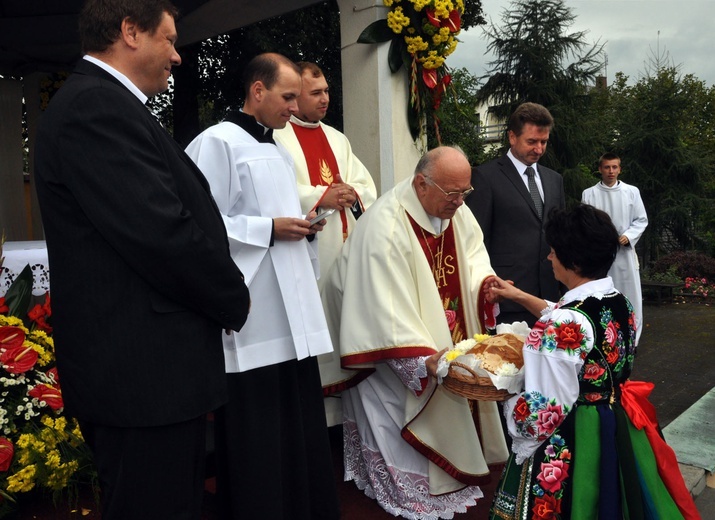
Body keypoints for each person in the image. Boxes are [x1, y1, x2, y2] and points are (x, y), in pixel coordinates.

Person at [33, 1, 251, 519]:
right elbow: (162, 234)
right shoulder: (95, 108)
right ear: (130, 32)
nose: (177, 56)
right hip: (141, 378)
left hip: (148, 374)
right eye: (169, 40)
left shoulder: (106, 104)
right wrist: (233, 296)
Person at [185, 53, 339, 520]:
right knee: (260, 427)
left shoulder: (274, 148)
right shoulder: (216, 143)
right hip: (254, 315)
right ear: (257, 91)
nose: (295, 108)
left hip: (291, 308)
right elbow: (201, 223)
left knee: (297, 416)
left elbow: (278, 218)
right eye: (288, 96)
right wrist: (269, 229)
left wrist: (306, 225)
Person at [322, 146, 508, 519]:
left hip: (441, 330)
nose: (459, 202)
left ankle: (450, 469)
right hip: (383, 345)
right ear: (422, 184)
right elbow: (383, 308)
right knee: (397, 406)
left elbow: (472, 255)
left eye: (465, 193)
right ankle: (410, 485)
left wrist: (485, 283)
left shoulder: (455, 210)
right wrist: (424, 359)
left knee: (448, 397)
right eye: (452, 193)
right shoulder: (384, 227)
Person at [487, 204, 700, 520]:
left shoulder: (560, 324)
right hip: (615, 422)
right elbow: (577, 322)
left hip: (574, 435)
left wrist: (505, 395)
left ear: (573, 261)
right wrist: (518, 296)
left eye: (554, 251)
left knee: (575, 502)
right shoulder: (618, 302)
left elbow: (542, 413)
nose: (549, 257)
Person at [273, 61, 377, 425]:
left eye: (327, 91)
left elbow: (366, 185)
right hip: (311, 253)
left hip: (345, 249)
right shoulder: (278, 137)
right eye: (315, 93)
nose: (325, 99)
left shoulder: (338, 138)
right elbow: (277, 191)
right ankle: (318, 419)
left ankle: (346, 417)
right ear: (295, 96)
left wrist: (352, 192)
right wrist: (322, 196)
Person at [468, 102, 565, 326]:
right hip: (507, 300)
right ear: (512, 137)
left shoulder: (554, 180)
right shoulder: (485, 177)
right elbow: (475, 241)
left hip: (549, 300)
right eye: (531, 141)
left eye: (544, 142)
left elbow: (561, 238)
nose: (539, 149)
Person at [582, 152, 648, 344]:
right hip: (600, 255)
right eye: (607, 167)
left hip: (625, 254)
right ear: (600, 169)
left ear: (619, 169)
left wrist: (628, 236)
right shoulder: (589, 194)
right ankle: (603, 338)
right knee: (600, 295)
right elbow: (586, 222)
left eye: (614, 167)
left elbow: (641, 219)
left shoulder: (632, 192)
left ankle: (631, 340)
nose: (611, 171)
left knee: (630, 296)